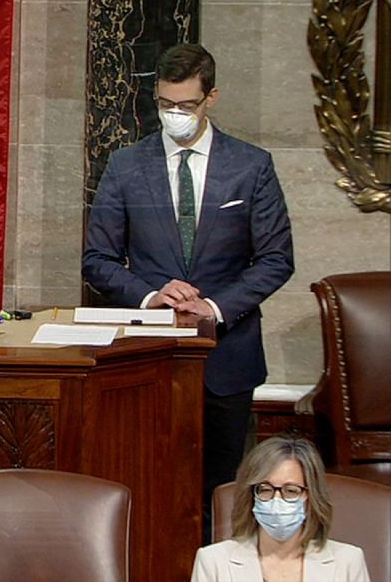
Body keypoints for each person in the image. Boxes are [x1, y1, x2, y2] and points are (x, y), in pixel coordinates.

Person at [82, 43, 294, 539]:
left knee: (222, 496)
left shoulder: (251, 166)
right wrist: (151, 294)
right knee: (148, 490)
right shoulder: (126, 165)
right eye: (165, 104)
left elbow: (276, 260)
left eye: (186, 105)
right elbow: (98, 260)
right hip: (146, 358)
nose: (174, 115)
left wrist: (215, 307)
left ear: (211, 97)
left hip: (228, 357)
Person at [191, 436, 370, 581]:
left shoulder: (348, 562)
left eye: (291, 491)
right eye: (266, 489)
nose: (277, 500)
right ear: (252, 495)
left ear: (310, 497)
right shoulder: (213, 562)